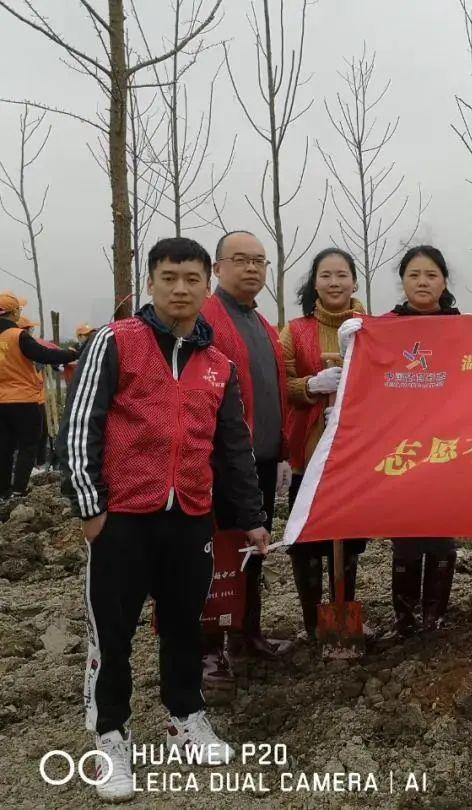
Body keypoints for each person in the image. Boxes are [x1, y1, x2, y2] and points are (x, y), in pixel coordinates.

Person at [57, 237, 270, 802]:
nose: (181, 288)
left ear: (207, 284)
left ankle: (185, 718)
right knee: (115, 631)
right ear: (151, 281)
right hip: (122, 517)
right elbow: (82, 425)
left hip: (190, 517)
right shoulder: (117, 342)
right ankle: (111, 735)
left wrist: (250, 516)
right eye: (169, 276)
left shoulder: (216, 365)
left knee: (184, 625)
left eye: (192, 278)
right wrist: (90, 506)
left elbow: (233, 448)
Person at [338, 245, 472, 637]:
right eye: (414, 274)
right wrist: (355, 345)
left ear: (444, 281)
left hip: (448, 444)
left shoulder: (461, 326)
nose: (422, 282)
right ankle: (405, 618)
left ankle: (435, 614)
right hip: (399, 446)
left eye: (431, 274)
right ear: (402, 280)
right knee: (406, 535)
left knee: (441, 534)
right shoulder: (384, 328)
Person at [200, 230, 291, 691]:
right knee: (218, 556)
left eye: (260, 261)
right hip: (220, 463)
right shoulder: (206, 319)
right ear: (218, 268)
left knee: (254, 552)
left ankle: (246, 633)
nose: (252, 268)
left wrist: (282, 451)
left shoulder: (263, 323)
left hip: (262, 459)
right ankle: (208, 650)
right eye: (241, 260)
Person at [280, 248, 368, 641]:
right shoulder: (295, 331)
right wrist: (311, 386)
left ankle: (344, 611)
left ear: (354, 281)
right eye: (326, 275)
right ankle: (314, 623)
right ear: (314, 282)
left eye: (342, 275)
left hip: (353, 456)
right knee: (306, 541)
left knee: (347, 540)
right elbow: (280, 385)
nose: (335, 283)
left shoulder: (370, 329)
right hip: (308, 452)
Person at [0, 291, 79, 500]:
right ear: (14, 311)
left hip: (1, 401)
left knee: (5, 447)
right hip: (24, 400)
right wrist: (74, 353)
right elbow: (45, 355)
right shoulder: (18, 336)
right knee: (28, 445)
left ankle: (4, 492)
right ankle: (19, 490)